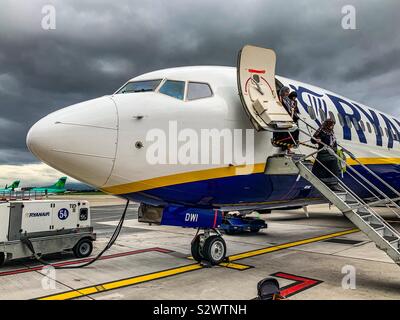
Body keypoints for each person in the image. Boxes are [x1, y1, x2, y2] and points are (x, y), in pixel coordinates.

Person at [311, 119, 342, 192]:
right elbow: (313, 139)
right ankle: (331, 184)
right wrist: (317, 139)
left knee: (333, 168)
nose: (332, 126)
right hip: (324, 153)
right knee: (327, 168)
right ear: (327, 124)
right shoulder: (321, 131)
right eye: (331, 124)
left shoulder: (331, 132)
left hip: (331, 153)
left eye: (333, 125)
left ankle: (333, 184)